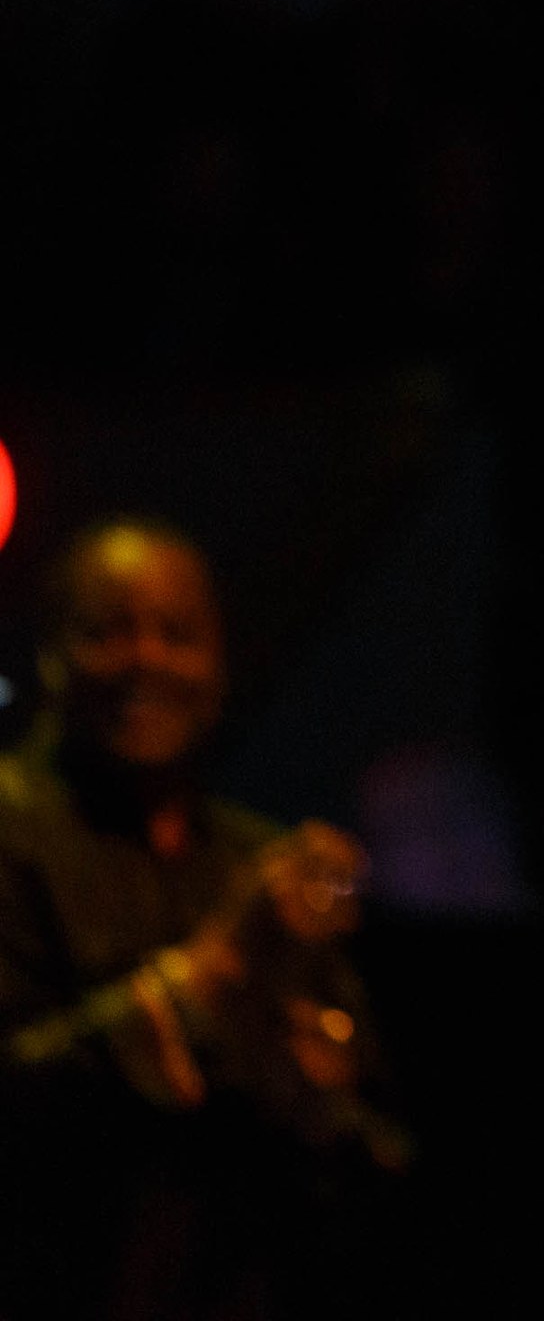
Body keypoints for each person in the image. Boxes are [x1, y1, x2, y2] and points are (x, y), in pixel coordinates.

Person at [0, 520, 407, 1318]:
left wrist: (317, 1083)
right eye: (108, 631)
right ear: (51, 654)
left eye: (176, 634)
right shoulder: (13, 830)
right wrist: (213, 976)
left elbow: (377, 1157)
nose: (146, 659)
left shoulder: (254, 859)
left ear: (220, 666)